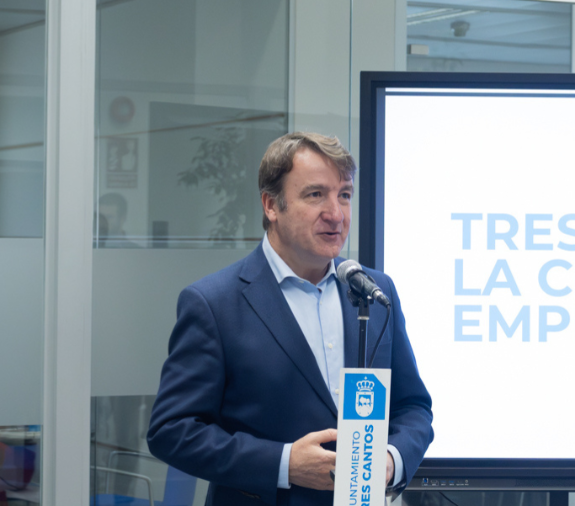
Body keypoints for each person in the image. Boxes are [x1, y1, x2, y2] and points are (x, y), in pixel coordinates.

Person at [147, 132, 434, 506]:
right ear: (271, 205)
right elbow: (172, 431)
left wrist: (391, 460)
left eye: (344, 194)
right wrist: (282, 463)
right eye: (315, 195)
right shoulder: (214, 303)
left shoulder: (376, 292)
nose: (336, 213)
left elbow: (412, 407)